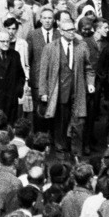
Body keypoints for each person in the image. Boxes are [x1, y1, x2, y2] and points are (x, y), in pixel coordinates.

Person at [38, 13, 95, 157]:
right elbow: (43, 72)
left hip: (77, 91)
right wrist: (43, 92)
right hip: (59, 92)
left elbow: (89, 68)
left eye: (73, 30)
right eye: (68, 30)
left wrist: (90, 83)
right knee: (60, 123)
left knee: (79, 122)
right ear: (61, 32)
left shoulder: (81, 46)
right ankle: (61, 150)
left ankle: (76, 153)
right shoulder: (50, 48)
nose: (72, 33)